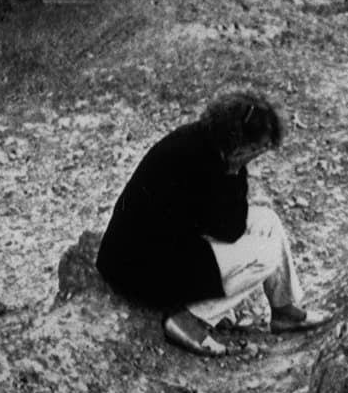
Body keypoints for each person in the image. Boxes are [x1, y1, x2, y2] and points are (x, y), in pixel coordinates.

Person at [96, 91, 332, 356]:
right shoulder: (202, 161)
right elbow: (229, 230)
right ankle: (190, 320)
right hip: (140, 267)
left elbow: (224, 221)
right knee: (265, 257)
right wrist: (235, 171)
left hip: (167, 242)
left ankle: (284, 309)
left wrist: (234, 170)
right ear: (242, 144)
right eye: (259, 148)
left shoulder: (207, 142)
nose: (260, 155)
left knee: (268, 221)